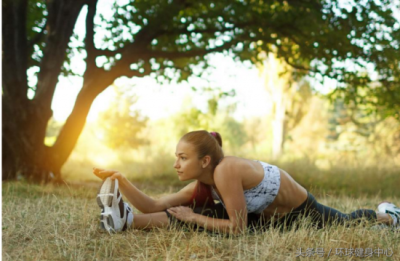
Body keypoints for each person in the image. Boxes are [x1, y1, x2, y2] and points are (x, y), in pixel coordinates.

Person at [94, 130, 400, 234]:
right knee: (193, 216)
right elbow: (156, 204)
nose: (176, 163)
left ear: (205, 161)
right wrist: (122, 179)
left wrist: (195, 216)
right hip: (263, 221)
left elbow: (237, 230)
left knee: (346, 222)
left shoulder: (226, 170)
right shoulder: (202, 183)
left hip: (300, 212)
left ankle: (387, 215)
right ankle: (127, 220)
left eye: (183, 157)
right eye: (176, 156)